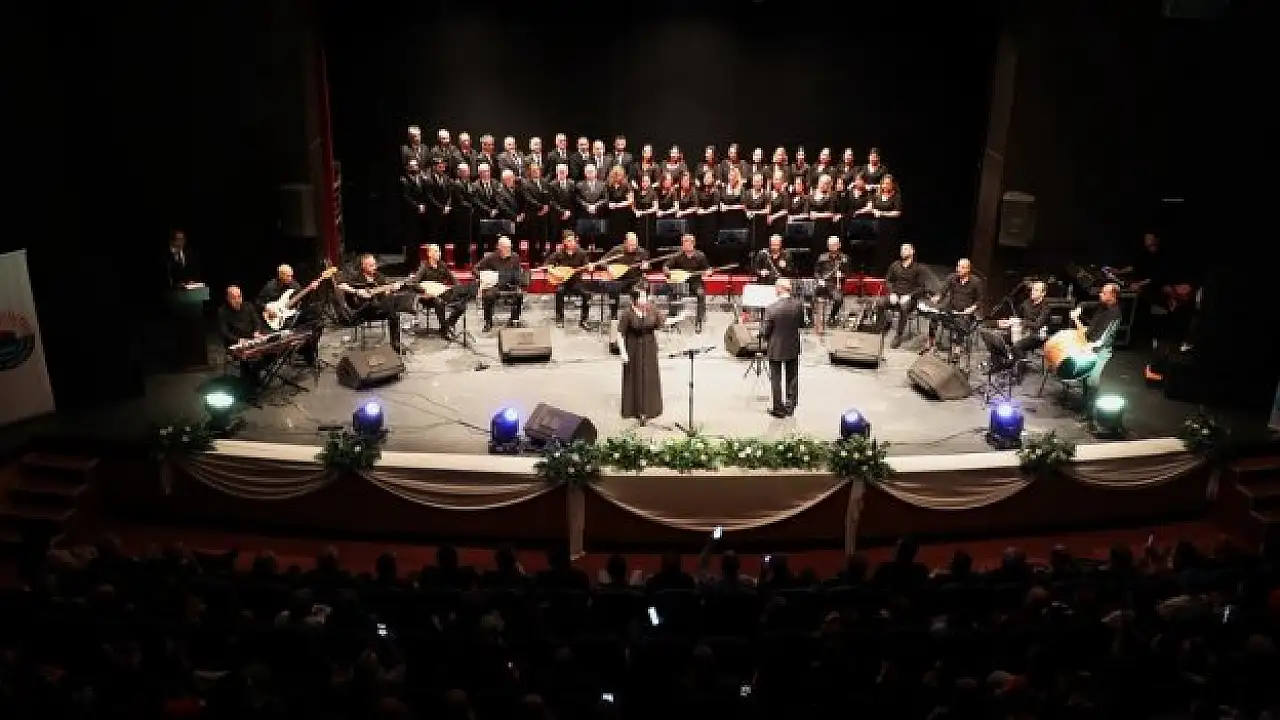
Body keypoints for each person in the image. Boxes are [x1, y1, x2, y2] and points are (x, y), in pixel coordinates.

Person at [336, 254, 410, 352]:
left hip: (377, 310)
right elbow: (340, 285)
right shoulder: (356, 276)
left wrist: (391, 289)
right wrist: (357, 292)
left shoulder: (379, 276)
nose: (374, 267)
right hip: (360, 311)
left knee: (394, 313)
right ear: (363, 266)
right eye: (371, 265)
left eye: (375, 264)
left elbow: (385, 293)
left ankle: (395, 344)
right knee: (374, 304)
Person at [256, 264, 323, 363]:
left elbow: (303, 299)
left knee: (315, 318)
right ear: (280, 275)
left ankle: (308, 354)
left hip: (291, 314)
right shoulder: (270, 287)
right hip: (277, 319)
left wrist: (311, 290)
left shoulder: (294, 285)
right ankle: (294, 353)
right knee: (290, 331)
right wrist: (267, 308)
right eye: (288, 276)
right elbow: (258, 302)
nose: (291, 278)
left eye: (291, 275)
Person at [979, 280, 1051, 370]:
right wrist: (1008, 322)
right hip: (1023, 332)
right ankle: (997, 365)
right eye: (1032, 289)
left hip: (1036, 336)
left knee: (1017, 346)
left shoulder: (1046, 307)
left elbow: (1037, 325)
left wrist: (1020, 321)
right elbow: (1017, 317)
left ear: (1043, 293)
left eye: (1036, 290)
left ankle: (1018, 370)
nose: (1032, 292)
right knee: (997, 340)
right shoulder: (1026, 303)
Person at [617, 289, 664, 424]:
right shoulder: (627, 313)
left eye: (645, 296)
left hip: (649, 348)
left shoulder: (652, 310)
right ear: (634, 299)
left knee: (649, 377)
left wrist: (679, 318)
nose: (645, 299)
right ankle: (635, 410)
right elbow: (620, 334)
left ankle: (650, 409)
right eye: (642, 297)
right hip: (633, 348)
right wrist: (623, 352)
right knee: (635, 377)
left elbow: (661, 323)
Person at [405, 244, 471, 339]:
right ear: (429, 254)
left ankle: (447, 325)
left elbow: (453, 279)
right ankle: (445, 330)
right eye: (436, 251)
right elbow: (414, 282)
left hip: (441, 293)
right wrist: (425, 290)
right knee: (438, 302)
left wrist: (459, 287)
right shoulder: (424, 266)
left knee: (462, 305)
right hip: (427, 297)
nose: (439, 253)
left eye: (439, 251)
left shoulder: (442, 265)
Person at [924, 258, 984, 359]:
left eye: (962, 267)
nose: (958, 269)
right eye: (958, 266)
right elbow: (943, 291)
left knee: (961, 322)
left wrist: (972, 308)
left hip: (965, 312)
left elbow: (980, 300)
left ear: (968, 269)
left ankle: (958, 346)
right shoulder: (952, 277)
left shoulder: (976, 282)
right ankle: (931, 341)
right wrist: (937, 297)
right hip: (951, 308)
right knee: (934, 315)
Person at [762, 278, 804, 418]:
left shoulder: (771, 308)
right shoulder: (798, 306)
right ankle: (790, 407)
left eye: (776, 287)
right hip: (792, 345)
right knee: (792, 377)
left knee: (776, 379)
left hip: (776, 347)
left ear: (780, 288)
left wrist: (764, 334)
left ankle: (778, 409)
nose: (775, 290)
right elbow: (801, 324)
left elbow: (766, 331)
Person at [474, 235, 525, 332]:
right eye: (506, 248)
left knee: (519, 294)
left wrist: (519, 280)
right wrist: (483, 277)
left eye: (509, 247)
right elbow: (475, 269)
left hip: (510, 285)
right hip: (495, 286)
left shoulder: (515, 257)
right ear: (499, 247)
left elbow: (518, 272)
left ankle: (514, 319)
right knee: (488, 295)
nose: (509, 250)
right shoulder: (491, 257)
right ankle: (488, 322)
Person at [218, 285, 270, 380]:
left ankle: (255, 377)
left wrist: (257, 332)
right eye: (234, 298)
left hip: (251, 338)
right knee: (250, 357)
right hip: (235, 342)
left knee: (269, 351)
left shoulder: (248, 306)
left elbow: (257, 321)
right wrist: (238, 340)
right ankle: (250, 380)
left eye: (239, 296)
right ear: (228, 299)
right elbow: (224, 332)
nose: (238, 300)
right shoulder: (223, 311)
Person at [662, 233, 711, 332]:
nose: (684, 244)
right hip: (681, 282)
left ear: (693, 244)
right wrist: (666, 271)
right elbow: (666, 266)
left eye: (687, 242)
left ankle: (699, 320)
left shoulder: (700, 256)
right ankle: (672, 318)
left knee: (701, 294)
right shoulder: (678, 255)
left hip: (695, 282)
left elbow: (707, 269)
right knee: (671, 292)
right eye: (683, 242)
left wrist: (708, 272)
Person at [545, 231, 593, 329]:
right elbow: (547, 264)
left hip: (577, 282)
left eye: (573, 240)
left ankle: (584, 320)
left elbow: (587, 266)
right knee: (559, 292)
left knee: (587, 294)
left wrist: (589, 267)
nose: (571, 243)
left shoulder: (582, 253)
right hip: (563, 282)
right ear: (564, 242)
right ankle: (559, 319)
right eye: (569, 241)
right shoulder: (559, 253)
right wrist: (552, 269)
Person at [880, 243, 925, 348]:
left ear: (912, 252)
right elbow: (888, 280)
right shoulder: (895, 265)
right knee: (880, 303)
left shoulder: (918, 268)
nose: (902, 251)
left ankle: (898, 335)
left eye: (905, 249)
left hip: (909, 298)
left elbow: (921, 288)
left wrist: (909, 296)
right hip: (895, 295)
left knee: (904, 307)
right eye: (901, 250)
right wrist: (892, 293)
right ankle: (883, 325)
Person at [602, 232, 649, 321]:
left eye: (635, 244)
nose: (633, 246)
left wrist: (646, 267)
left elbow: (647, 268)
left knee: (641, 287)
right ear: (625, 242)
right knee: (612, 288)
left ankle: (638, 315)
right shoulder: (617, 250)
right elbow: (603, 261)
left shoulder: (642, 252)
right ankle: (614, 316)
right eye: (630, 244)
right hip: (619, 280)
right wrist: (609, 268)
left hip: (635, 280)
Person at [813, 235, 850, 332]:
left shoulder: (844, 258)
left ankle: (832, 317)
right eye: (830, 245)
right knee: (810, 294)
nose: (832, 247)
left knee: (838, 299)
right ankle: (813, 319)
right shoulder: (822, 257)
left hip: (835, 285)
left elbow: (849, 274)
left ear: (839, 245)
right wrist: (819, 279)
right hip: (823, 283)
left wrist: (842, 275)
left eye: (834, 244)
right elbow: (816, 272)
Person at [1071, 282, 1122, 350]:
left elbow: (1101, 339)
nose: (1100, 294)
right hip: (1089, 339)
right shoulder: (1103, 304)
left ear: (1112, 297)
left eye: (1104, 293)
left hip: (1096, 348)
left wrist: (1077, 322)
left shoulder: (1113, 313)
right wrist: (1078, 310)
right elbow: (1084, 304)